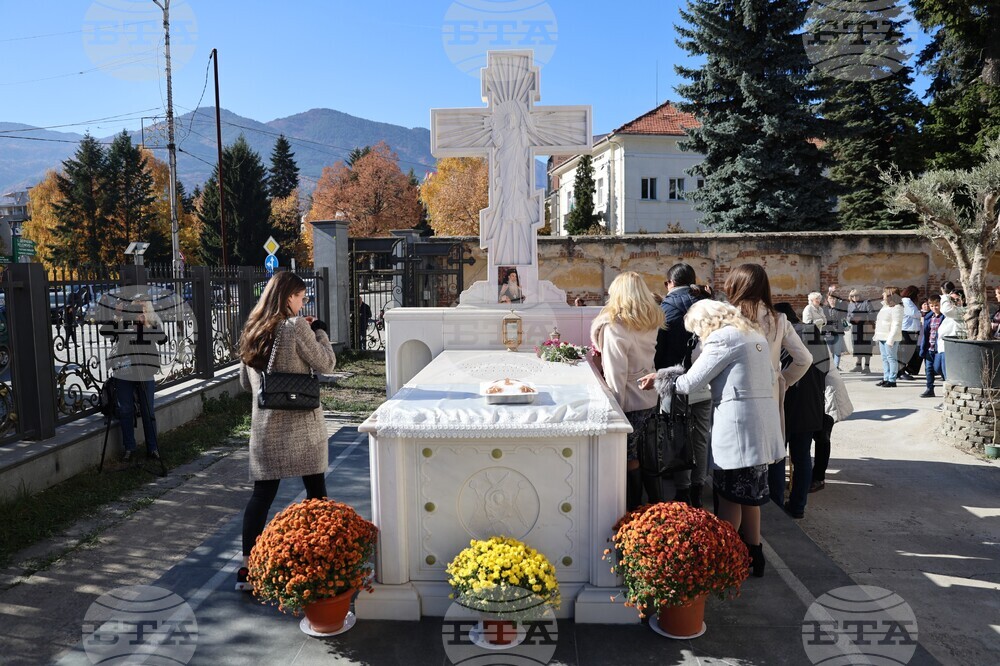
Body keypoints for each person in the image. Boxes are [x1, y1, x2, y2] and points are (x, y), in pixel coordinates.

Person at [640, 299, 783, 577]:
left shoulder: (722, 339)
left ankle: (725, 558)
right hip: (762, 423)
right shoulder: (752, 333)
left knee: (729, 494)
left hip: (739, 425)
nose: (697, 335)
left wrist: (659, 378)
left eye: (696, 329)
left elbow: (691, 382)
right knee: (750, 496)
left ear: (704, 322)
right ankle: (754, 554)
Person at [236, 272, 338, 591]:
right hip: (302, 430)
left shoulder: (254, 329)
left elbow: (244, 383)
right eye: (300, 296)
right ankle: (320, 562)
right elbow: (326, 364)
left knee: (262, 497)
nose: (302, 301)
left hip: (266, 430)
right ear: (287, 297)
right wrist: (319, 330)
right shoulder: (296, 326)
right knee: (316, 494)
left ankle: (248, 568)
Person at [591, 271, 663, 510]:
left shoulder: (616, 326)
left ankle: (630, 509)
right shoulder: (649, 320)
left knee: (627, 457)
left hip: (628, 399)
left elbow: (616, 373)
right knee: (642, 455)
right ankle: (647, 506)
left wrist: (615, 411)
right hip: (649, 395)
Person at [724, 264, 811, 440]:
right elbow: (804, 359)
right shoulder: (779, 319)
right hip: (769, 393)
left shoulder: (726, 318)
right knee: (770, 453)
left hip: (733, 397)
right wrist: (783, 380)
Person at [652, 263, 711, 508]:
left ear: (669, 283)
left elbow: (659, 349)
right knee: (700, 435)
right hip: (705, 377)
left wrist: (657, 373)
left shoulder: (665, 308)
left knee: (677, 433)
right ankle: (699, 486)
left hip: (674, 379)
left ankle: (683, 489)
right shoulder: (707, 304)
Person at [773, 304, 827, 519]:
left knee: (777, 456)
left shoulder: (782, 334)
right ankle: (797, 507)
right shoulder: (813, 331)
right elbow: (826, 366)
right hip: (812, 401)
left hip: (785, 400)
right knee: (802, 456)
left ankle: (775, 507)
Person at [101, 296, 168, 463]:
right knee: (125, 410)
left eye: (142, 306)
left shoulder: (151, 321)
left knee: (148, 411)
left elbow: (162, 339)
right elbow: (105, 331)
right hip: (124, 372)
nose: (139, 310)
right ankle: (129, 448)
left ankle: (152, 448)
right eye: (136, 307)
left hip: (145, 371)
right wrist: (117, 315)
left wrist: (147, 324)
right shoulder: (123, 320)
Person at [811, 358, 854, 493]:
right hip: (821, 393)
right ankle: (816, 475)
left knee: (822, 437)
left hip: (827, 396)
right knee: (820, 437)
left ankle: (818, 477)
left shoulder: (813, 342)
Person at [919, 295, 953, 398]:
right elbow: (925, 334)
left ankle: (947, 388)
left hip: (939, 348)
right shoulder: (929, 317)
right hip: (930, 347)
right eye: (932, 306)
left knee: (938, 368)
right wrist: (923, 348)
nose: (934, 308)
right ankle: (929, 388)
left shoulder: (945, 317)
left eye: (937, 305)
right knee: (928, 369)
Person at [872, 287, 904, 388]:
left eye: (884, 294)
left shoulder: (897, 308)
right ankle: (886, 378)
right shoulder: (885, 306)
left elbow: (896, 324)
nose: (883, 296)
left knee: (891, 358)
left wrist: (891, 338)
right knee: (884, 358)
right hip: (882, 336)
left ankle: (892, 379)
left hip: (890, 337)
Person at [899, 286, 923, 380]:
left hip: (909, 329)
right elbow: (914, 313)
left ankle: (903, 370)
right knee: (906, 351)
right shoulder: (907, 301)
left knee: (908, 351)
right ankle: (901, 372)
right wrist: (922, 313)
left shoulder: (906, 301)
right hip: (907, 330)